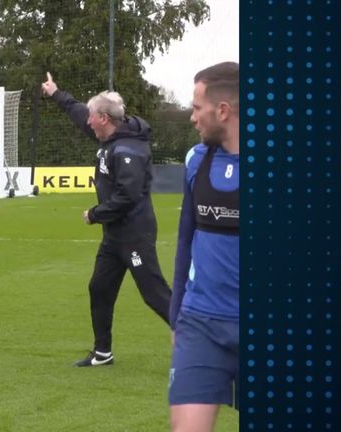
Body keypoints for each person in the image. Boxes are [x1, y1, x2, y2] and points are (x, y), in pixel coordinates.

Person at [41, 72, 171, 367]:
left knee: (154, 294)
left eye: (91, 116)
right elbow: (78, 113)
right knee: (99, 288)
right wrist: (56, 93)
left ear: (103, 118)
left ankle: (202, 346)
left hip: (135, 233)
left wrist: (94, 214)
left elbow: (129, 195)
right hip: (114, 237)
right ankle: (103, 352)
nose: (87, 121)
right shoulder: (109, 136)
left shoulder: (128, 150)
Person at [168, 62, 239, 432]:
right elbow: (185, 239)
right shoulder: (197, 160)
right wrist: (176, 313)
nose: (192, 116)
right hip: (201, 323)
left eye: (197, 108)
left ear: (222, 111)